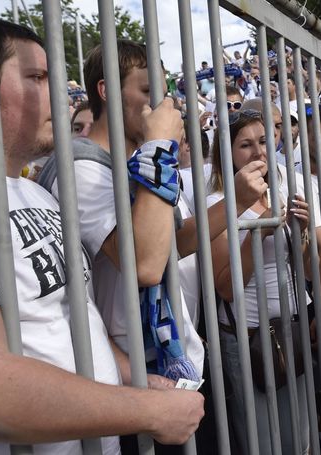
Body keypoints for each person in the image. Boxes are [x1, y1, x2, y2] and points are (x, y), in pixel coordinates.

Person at [0, 14, 204, 454]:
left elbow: (72, 323)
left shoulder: (33, 193)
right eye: (37, 78)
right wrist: (146, 410)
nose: (60, 95)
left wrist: (138, 378)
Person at [35, 39, 205, 454]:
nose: (161, 104)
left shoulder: (139, 165)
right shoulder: (80, 165)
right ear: (107, 90)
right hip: (122, 384)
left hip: (169, 367)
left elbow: (169, 249)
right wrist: (159, 148)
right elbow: (144, 265)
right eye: (148, 91)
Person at [207, 109, 315, 455]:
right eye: (245, 145)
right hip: (248, 337)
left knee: (299, 435)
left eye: (264, 141)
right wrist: (260, 233)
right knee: (263, 441)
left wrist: (303, 235)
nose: (258, 152)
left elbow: (305, 270)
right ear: (226, 154)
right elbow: (225, 287)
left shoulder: (282, 191)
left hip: (288, 327)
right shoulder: (217, 205)